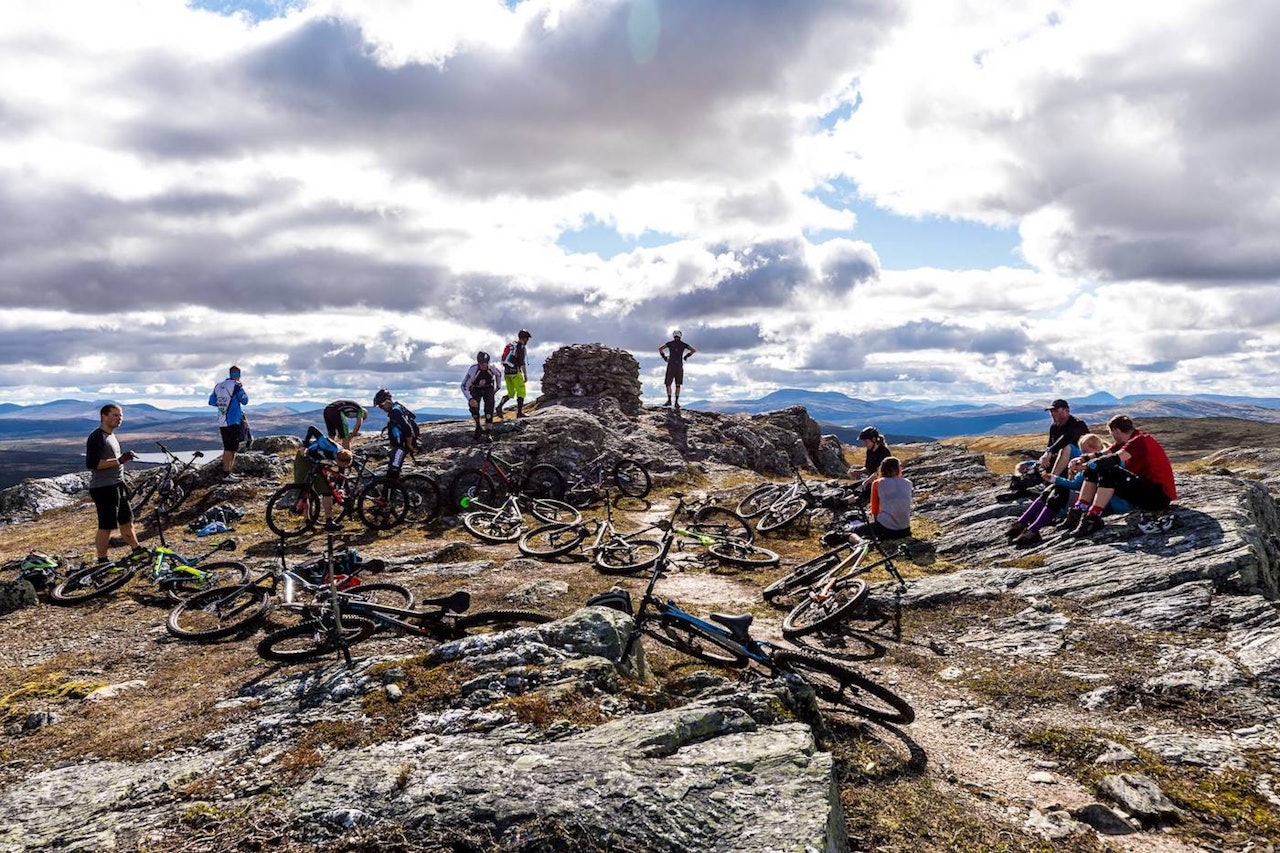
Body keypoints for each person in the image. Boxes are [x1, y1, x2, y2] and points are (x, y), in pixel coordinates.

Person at [1005, 434, 1132, 548]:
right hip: (1094, 501)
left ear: (1096, 449)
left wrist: (1055, 478)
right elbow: (1076, 483)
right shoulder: (1092, 462)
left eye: (1086, 452)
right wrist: (1054, 478)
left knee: (1060, 493)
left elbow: (1075, 485)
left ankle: (1032, 529)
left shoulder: (1109, 461)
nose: (1083, 455)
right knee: (1050, 490)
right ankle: (1023, 523)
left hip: (1106, 505)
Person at [1063, 414, 1177, 538]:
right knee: (1096, 468)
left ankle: (1092, 517)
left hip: (1158, 496)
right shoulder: (1131, 439)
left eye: (1112, 434)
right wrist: (1082, 459)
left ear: (1116, 430)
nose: (1113, 437)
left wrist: (1086, 466)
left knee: (1108, 470)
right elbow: (1104, 453)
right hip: (1149, 491)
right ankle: (1079, 510)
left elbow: (1114, 458)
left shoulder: (1139, 441)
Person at [84, 403, 144, 563]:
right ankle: (102, 561)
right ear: (104, 416)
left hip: (117, 484)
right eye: (115, 415)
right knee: (106, 525)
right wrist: (120, 460)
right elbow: (93, 464)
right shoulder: (97, 437)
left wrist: (121, 461)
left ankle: (137, 550)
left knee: (126, 519)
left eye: (121, 416)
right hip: (103, 487)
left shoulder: (111, 436)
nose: (119, 419)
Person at [293, 429, 354, 532]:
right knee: (304, 489)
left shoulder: (342, 455)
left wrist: (340, 485)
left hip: (318, 463)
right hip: (304, 459)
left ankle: (329, 521)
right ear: (338, 459)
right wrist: (306, 444)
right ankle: (307, 521)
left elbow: (338, 472)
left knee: (327, 491)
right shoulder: (327, 444)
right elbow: (312, 429)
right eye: (342, 465)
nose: (342, 467)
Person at [849, 456, 913, 541]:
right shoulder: (908, 483)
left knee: (854, 531)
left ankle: (858, 542)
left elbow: (875, 510)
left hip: (886, 528)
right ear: (898, 469)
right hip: (905, 529)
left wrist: (876, 525)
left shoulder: (877, 483)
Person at [208, 365, 249, 482]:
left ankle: (228, 473)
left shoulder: (218, 386)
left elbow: (211, 401)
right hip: (233, 420)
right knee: (231, 449)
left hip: (222, 421)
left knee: (228, 447)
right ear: (238, 375)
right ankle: (227, 474)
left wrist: (222, 405)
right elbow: (245, 400)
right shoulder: (236, 386)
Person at [372, 389, 419, 481]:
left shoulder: (395, 411)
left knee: (393, 471)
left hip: (401, 447)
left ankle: (392, 492)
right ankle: (391, 491)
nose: (381, 408)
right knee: (392, 471)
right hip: (400, 446)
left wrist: (409, 445)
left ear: (388, 400)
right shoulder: (398, 407)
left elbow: (407, 428)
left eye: (381, 405)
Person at [1038, 399, 1089, 477]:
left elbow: (1066, 439)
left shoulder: (1077, 424)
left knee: (1066, 447)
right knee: (1022, 466)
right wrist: (1045, 456)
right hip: (1059, 458)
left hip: (1080, 457)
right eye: (1051, 411)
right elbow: (1050, 444)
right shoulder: (1054, 427)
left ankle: (1052, 479)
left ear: (1066, 410)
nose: (1052, 414)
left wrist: (1049, 451)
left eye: (1055, 411)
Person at [461, 351, 503, 442]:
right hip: (475, 388)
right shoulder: (473, 370)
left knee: (489, 406)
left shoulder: (492, 368)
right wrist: (470, 399)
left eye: (485, 363)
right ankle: (478, 427)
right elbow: (464, 386)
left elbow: (498, 375)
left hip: (488, 387)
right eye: (482, 363)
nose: (484, 365)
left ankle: (488, 432)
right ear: (478, 362)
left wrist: (498, 387)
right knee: (474, 407)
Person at [848, 426, 891, 505]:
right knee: (849, 488)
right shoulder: (869, 451)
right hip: (871, 481)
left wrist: (866, 482)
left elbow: (878, 472)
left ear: (874, 440)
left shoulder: (884, 452)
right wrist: (859, 471)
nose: (864, 444)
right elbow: (868, 467)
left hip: (881, 483)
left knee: (860, 492)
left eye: (866, 441)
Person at [496, 329, 532, 420]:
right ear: (524, 338)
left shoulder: (511, 345)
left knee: (511, 393)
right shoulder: (521, 347)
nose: (527, 341)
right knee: (521, 392)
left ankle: (499, 406)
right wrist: (525, 375)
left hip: (507, 373)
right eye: (527, 339)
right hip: (516, 372)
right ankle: (519, 413)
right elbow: (522, 363)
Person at [658, 330, 696, 409]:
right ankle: (676, 403)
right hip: (679, 366)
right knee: (678, 385)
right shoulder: (683, 344)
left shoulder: (670, 343)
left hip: (671, 365)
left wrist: (664, 357)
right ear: (680, 336)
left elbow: (660, 349)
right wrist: (686, 356)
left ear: (673, 336)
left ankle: (669, 400)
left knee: (668, 384)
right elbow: (693, 350)